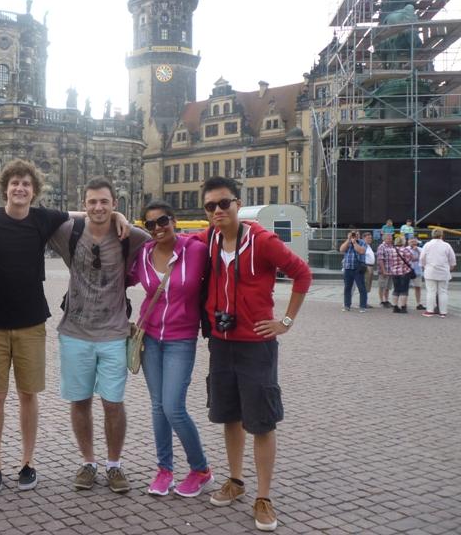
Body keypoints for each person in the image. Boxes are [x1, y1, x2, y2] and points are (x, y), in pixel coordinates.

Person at [0, 160, 129, 492]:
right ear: (5, 188)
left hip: (31, 321)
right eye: (15, 183)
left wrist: (116, 214)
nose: (20, 188)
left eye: (26, 184)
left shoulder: (42, 218)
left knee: (28, 395)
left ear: (34, 191)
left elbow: (84, 214)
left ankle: (27, 462)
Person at [196, 177, 311, 533]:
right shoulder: (208, 239)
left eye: (224, 203)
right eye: (210, 206)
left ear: (238, 204)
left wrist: (285, 321)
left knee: (261, 421)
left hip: (256, 344)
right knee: (229, 415)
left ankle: (263, 497)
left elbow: (302, 274)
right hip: (220, 342)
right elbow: (166, 238)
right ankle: (235, 480)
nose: (218, 211)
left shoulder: (262, 240)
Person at [49, 176, 149, 494]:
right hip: (75, 332)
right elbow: (40, 219)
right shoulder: (68, 231)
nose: (98, 207)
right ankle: (89, 462)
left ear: (114, 203)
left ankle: (114, 464)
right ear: (84, 205)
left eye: (105, 202)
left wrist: (122, 219)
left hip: (114, 333)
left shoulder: (130, 236)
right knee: (80, 401)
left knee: (113, 403)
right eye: (92, 202)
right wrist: (107, 215)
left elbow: (162, 242)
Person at [127, 201, 212, 497]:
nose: (158, 228)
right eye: (150, 224)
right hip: (149, 337)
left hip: (181, 338)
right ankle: (165, 470)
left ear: (174, 220)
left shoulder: (196, 250)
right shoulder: (144, 253)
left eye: (162, 221)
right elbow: (122, 277)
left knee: (173, 407)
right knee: (157, 406)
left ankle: (201, 469)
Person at [420, 229, 456, 318]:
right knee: (443, 292)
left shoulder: (427, 245)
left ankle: (430, 311)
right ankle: (443, 312)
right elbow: (452, 258)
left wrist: (424, 266)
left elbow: (422, 258)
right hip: (443, 271)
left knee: (431, 291)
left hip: (430, 271)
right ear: (442, 235)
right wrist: (451, 266)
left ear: (432, 235)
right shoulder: (446, 245)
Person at [382, 234, 414, 313]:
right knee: (404, 290)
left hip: (394, 273)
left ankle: (395, 307)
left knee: (396, 289)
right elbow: (411, 258)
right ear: (403, 242)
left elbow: (389, 261)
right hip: (404, 272)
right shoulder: (405, 250)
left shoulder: (391, 250)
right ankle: (403, 307)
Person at [339, 230, 368, 312]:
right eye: (353, 234)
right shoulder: (348, 242)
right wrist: (348, 240)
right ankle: (347, 305)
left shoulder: (362, 242)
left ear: (359, 235)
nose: (355, 236)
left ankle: (363, 306)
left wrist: (354, 242)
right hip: (348, 268)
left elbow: (361, 251)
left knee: (361, 288)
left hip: (358, 268)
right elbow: (341, 249)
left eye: (356, 234)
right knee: (347, 288)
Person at [377, 233, 395, 307]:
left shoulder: (392, 246)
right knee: (382, 286)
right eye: (388, 238)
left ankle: (386, 300)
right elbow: (380, 259)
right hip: (384, 270)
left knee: (388, 287)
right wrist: (383, 270)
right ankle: (382, 301)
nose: (390, 239)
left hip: (391, 270)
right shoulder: (381, 246)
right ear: (384, 239)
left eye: (391, 238)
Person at [408, 238, 425, 310]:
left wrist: (417, 251)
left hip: (417, 271)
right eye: (412, 242)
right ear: (409, 242)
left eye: (415, 242)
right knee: (405, 287)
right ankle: (404, 303)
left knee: (418, 287)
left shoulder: (420, 249)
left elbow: (423, 258)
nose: (413, 243)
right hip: (408, 270)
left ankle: (418, 303)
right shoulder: (406, 249)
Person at [362, 232, 375, 301]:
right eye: (368, 238)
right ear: (363, 238)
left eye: (370, 238)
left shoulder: (368, 246)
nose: (370, 239)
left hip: (371, 267)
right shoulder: (363, 246)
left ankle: (365, 301)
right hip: (367, 267)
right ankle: (364, 302)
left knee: (368, 285)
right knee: (365, 284)